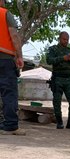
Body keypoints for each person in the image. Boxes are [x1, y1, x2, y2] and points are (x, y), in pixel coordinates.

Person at [46, 31, 70, 129]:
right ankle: (59, 122)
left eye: (67, 39)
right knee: (57, 100)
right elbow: (49, 60)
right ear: (59, 39)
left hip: (69, 78)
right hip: (58, 77)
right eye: (64, 39)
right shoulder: (53, 49)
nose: (66, 41)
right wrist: (63, 58)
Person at [0, 0, 26, 135]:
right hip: (4, 59)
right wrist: (19, 56)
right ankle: (10, 126)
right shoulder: (4, 14)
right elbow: (14, 36)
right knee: (9, 92)